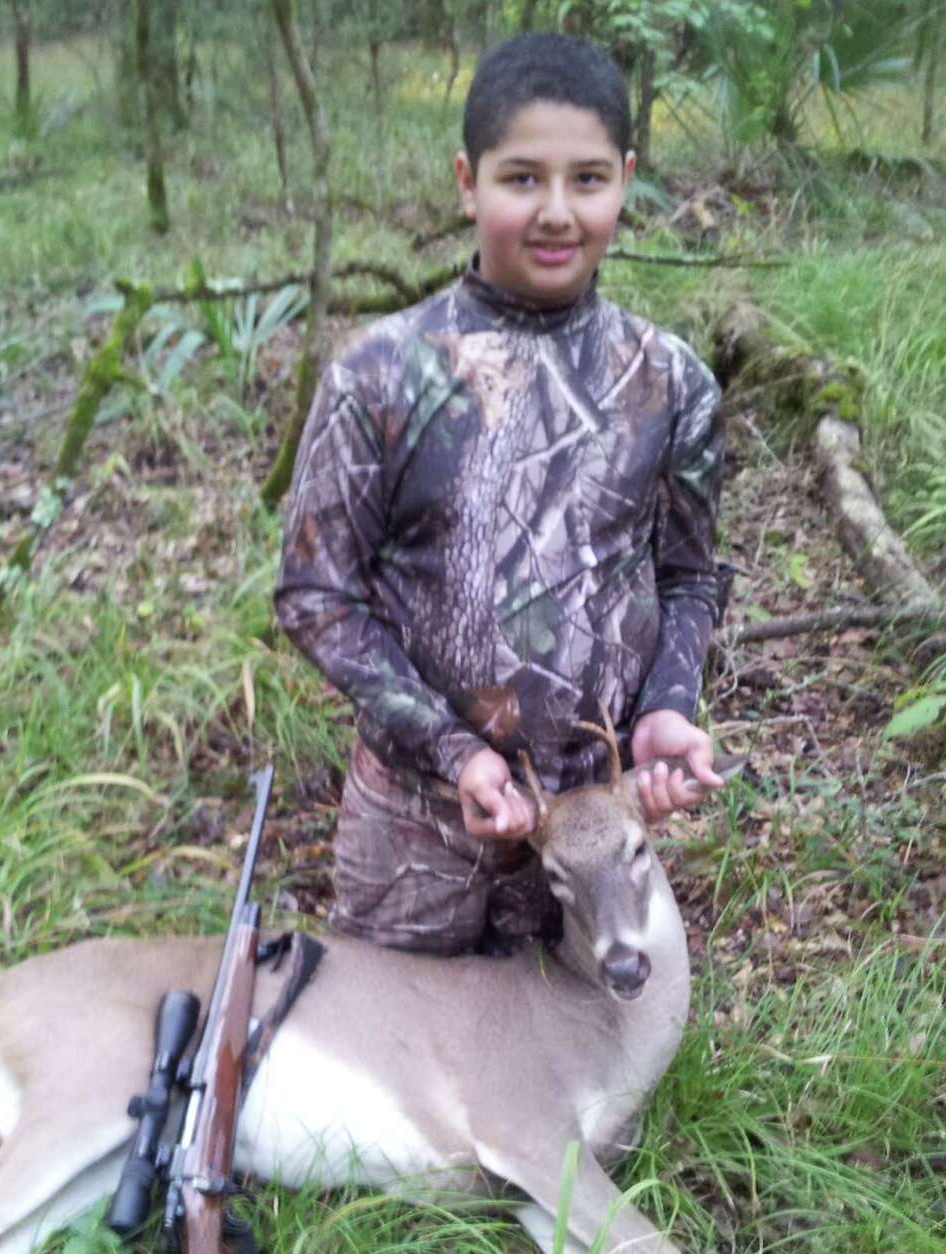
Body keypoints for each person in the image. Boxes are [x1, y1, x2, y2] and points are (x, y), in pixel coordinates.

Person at [275, 31, 726, 956]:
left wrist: (667, 708)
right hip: (419, 823)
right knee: (390, 1078)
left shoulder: (670, 382)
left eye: (588, 180)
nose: (557, 212)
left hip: (594, 834)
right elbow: (315, 596)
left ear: (626, 181)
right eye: (522, 178)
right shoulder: (381, 374)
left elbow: (688, 577)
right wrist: (456, 753)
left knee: (578, 1082)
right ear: (467, 181)